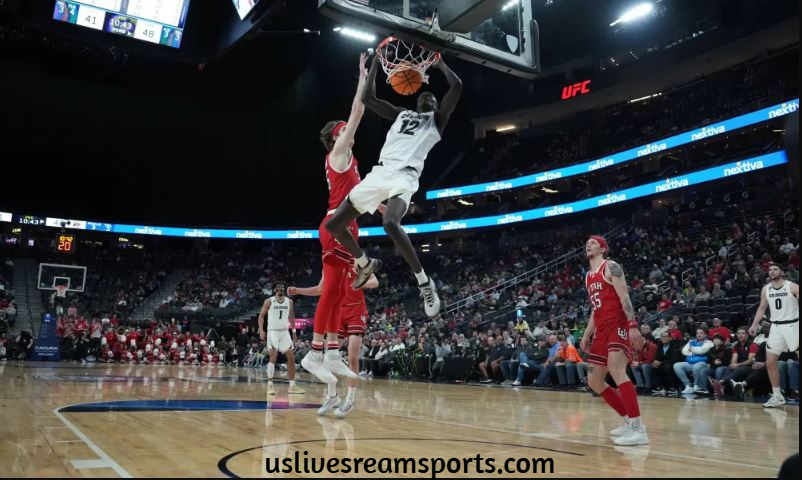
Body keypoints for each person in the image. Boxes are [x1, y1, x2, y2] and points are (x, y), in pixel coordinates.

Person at [324, 53, 463, 318]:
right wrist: (376, 62)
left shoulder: (438, 120)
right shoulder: (402, 114)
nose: (428, 97)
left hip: (405, 176)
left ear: (437, 106)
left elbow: (457, 86)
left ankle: (424, 281)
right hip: (381, 172)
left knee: (390, 222)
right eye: (424, 95)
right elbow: (367, 99)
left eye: (432, 98)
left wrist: (440, 64)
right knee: (333, 226)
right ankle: (364, 264)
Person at [301, 53, 370, 396]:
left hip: (347, 225)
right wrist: (363, 77)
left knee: (340, 291)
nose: (349, 129)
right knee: (331, 291)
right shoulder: (338, 154)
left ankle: (329, 354)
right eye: (343, 130)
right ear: (335, 137)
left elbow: (363, 197)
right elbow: (358, 111)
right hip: (335, 225)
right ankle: (315, 353)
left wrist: (389, 206)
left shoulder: (351, 163)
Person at [579, 235, 648, 446]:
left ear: (603, 248)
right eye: (587, 242)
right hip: (601, 329)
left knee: (617, 370)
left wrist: (633, 325)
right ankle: (628, 421)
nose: (588, 244)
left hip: (617, 325)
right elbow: (595, 308)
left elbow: (625, 297)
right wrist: (587, 334)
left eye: (593, 242)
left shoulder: (611, 266)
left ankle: (638, 428)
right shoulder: (588, 276)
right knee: (594, 380)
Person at [290, 262, 378, 417]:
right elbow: (320, 289)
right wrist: (299, 291)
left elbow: (375, 282)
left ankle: (350, 400)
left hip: (356, 309)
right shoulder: (329, 265)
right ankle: (332, 396)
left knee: (352, 356)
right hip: (338, 310)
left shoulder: (357, 261)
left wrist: (359, 284)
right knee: (330, 355)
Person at [748, 262, 799, 408]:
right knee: (770, 362)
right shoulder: (766, 289)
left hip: (793, 325)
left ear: (782, 272)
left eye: (775, 269)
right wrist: (754, 324)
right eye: (770, 270)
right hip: (775, 327)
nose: (772, 271)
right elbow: (762, 308)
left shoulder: (792, 286)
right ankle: (777, 396)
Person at [258, 283, 304, 396]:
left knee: (292, 358)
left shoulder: (289, 301)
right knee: (273, 357)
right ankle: (270, 385)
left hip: (284, 332)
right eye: (278, 288)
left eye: (282, 288)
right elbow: (261, 316)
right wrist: (261, 330)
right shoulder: (269, 301)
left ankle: (292, 386)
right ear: (274, 290)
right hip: (272, 331)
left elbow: (292, 316)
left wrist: (293, 332)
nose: (280, 289)